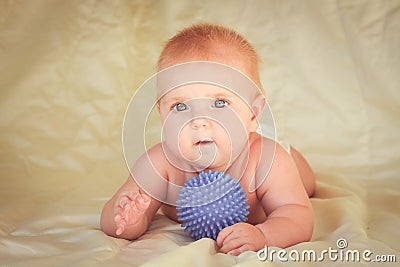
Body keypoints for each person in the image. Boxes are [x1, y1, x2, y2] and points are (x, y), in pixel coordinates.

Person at [100, 23, 316, 256]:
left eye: (220, 103)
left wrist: (265, 235)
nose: (199, 121)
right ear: (162, 116)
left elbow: (297, 215)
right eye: (180, 106)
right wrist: (127, 216)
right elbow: (116, 223)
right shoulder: (160, 164)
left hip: (265, 145)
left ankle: (294, 162)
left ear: (253, 114)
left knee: (306, 183)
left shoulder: (266, 160)